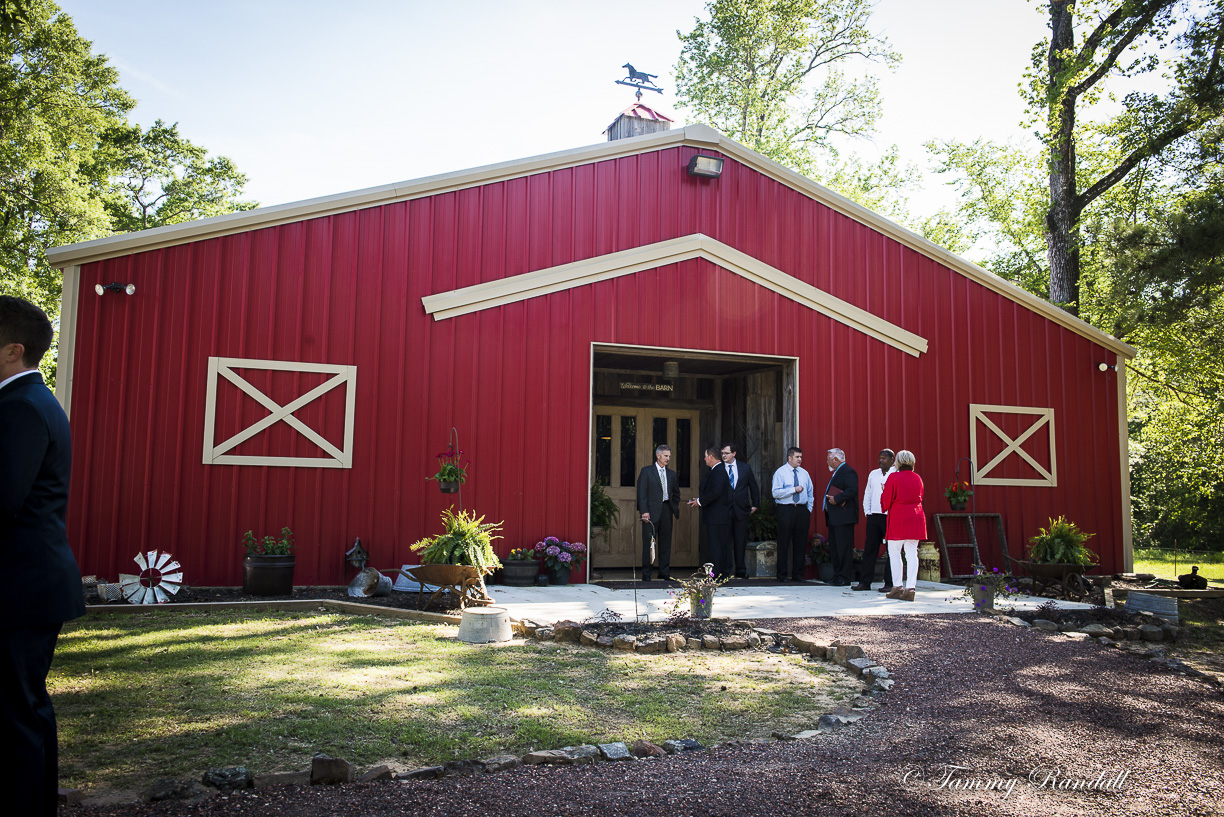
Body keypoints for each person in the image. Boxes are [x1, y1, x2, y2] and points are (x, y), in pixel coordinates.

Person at [0, 295, 85, 817]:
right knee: (23, 710)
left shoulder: (23, 407)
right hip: (27, 583)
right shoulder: (29, 402)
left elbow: (2, 500)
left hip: (19, 586)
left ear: (13, 350)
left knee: (15, 715)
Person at [881, 449, 927, 602]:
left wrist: (883, 492)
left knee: (894, 553)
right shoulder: (918, 478)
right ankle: (911, 588)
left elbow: (886, 500)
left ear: (898, 462)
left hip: (899, 517)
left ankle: (897, 586)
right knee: (912, 553)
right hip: (916, 516)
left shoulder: (894, 477)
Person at [636, 444, 680, 581]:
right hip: (650, 512)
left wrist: (674, 506)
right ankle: (647, 573)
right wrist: (644, 511)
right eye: (666, 456)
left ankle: (664, 573)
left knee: (666, 543)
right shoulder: (647, 472)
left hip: (667, 510)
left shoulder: (672, 474)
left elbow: (677, 493)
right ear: (658, 455)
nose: (668, 459)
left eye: (669, 456)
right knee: (649, 544)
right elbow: (641, 493)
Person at [854, 448, 896, 592]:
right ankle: (865, 582)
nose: (881, 460)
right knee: (870, 550)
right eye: (880, 458)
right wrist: (868, 511)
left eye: (884, 458)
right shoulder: (873, 474)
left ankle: (889, 583)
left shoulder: (895, 474)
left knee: (892, 550)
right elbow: (868, 493)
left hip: (889, 516)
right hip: (874, 516)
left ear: (892, 460)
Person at [688, 446, 733, 579]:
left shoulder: (718, 471)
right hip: (715, 516)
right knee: (716, 545)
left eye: (705, 456)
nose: (704, 459)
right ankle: (718, 573)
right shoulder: (715, 470)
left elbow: (716, 492)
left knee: (717, 546)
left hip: (718, 517)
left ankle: (718, 574)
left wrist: (700, 501)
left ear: (711, 457)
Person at [771, 447, 814, 582]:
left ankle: (798, 575)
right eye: (797, 457)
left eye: (801, 457)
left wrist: (809, 509)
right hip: (786, 509)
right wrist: (793, 490)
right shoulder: (781, 473)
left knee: (800, 543)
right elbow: (775, 493)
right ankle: (782, 574)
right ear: (789, 458)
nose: (800, 459)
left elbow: (810, 493)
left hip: (801, 510)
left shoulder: (804, 474)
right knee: (784, 543)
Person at [721, 443, 760, 579]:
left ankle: (741, 570)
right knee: (725, 541)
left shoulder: (745, 468)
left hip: (741, 509)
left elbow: (753, 486)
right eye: (722, 453)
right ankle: (726, 570)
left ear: (734, 453)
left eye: (726, 453)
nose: (724, 456)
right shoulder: (719, 468)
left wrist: (755, 504)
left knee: (740, 541)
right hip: (724, 510)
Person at [822, 448, 860, 586]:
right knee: (836, 548)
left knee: (843, 548)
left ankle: (844, 577)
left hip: (844, 517)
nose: (827, 462)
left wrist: (836, 499)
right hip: (835, 517)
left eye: (828, 459)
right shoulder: (838, 472)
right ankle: (837, 575)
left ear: (836, 460)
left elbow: (852, 490)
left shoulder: (848, 471)